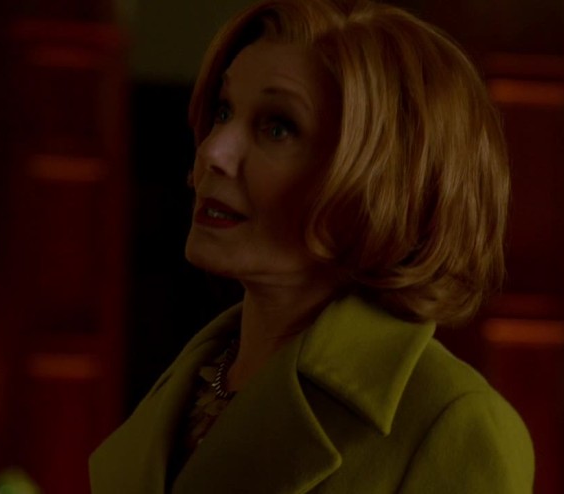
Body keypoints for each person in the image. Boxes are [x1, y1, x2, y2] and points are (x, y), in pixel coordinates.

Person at [89, 0, 534, 492]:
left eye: (277, 127)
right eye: (223, 110)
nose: (213, 151)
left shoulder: (453, 423)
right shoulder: (188, 382)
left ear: (381, 184)